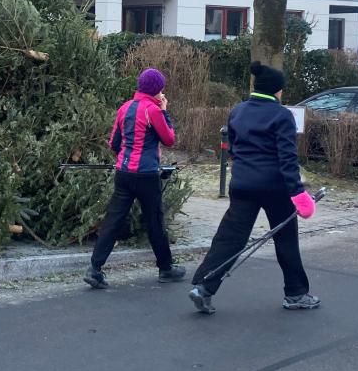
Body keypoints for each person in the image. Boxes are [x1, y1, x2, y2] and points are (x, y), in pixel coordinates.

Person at [188, 61, 318, 314]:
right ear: (276, 90)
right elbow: (287, 160)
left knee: (229, 238)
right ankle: (296, 293)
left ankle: (203, 287)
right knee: (286, 239)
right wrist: (298, 194)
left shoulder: (238, 110)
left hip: (242, 184)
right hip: (275, 187)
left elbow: (233, 147)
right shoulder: (282, 115)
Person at [84, 68, 186, 289]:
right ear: (156, 90)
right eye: (161, 89)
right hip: (147, 175)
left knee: (113, 220)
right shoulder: (153, 110)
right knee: (155, 222)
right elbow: (169, 139)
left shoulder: (124, 108)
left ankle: (95, 268)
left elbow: (114, 143)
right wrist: (165, 110)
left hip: (123, 173)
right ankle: (166, 268)